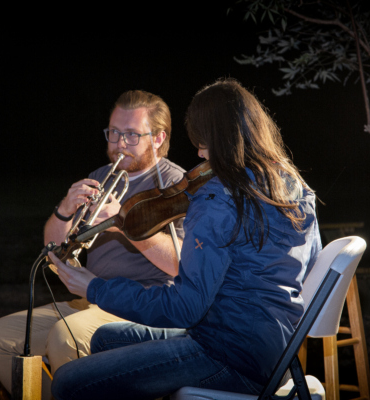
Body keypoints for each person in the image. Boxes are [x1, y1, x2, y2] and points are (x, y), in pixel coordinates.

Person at [49, 78, 322, 400]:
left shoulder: (216, 200)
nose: (199, 151)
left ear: (217, 137)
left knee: (67, 382)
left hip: (231, 357)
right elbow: (310, 264)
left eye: (202, 140)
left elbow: (185, 307)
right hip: (274, 349)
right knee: (105, 338)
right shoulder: (292, 184)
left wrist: (93, 287)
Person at [0, 90, 185, 399]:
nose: (118, 144)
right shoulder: (100, 177)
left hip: (142, 304)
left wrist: (123, 223)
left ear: (157, 138)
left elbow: (179, 264)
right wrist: (65, 209)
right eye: (113, 132)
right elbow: (54, 252)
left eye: (130, 135)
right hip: (91, 300)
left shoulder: (174, 185)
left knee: (67, 337)